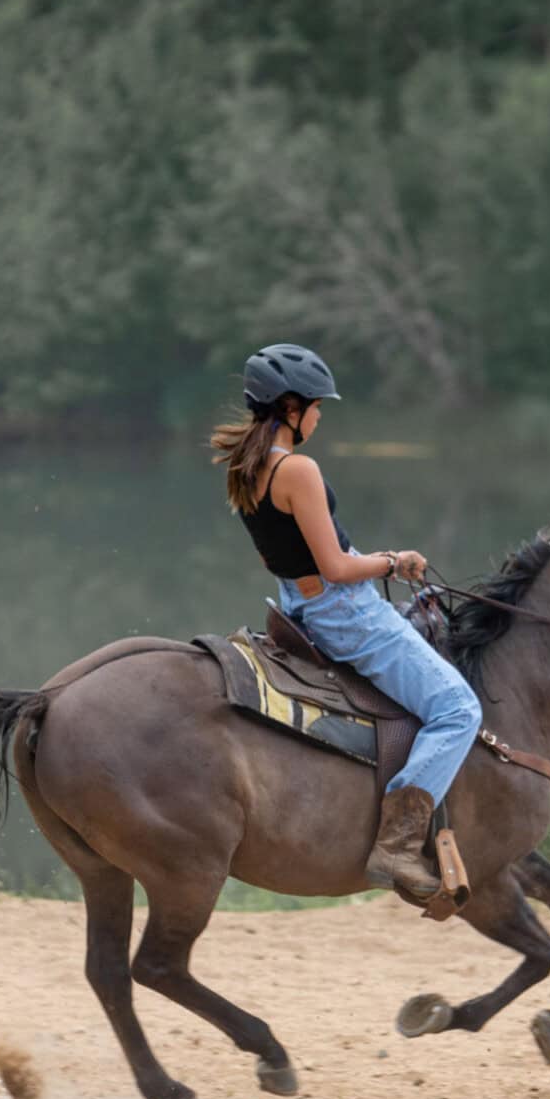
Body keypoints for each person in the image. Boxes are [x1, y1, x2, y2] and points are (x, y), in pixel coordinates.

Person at [209, 344, 480, 898]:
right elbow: (334, 565)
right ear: (289, 408)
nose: (320, 415)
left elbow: (287, 557)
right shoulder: (298, 468)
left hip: (298, 605)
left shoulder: (246, 468)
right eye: (314, 405)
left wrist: (366, 561)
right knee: (458, 708)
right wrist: (393, 561)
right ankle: (399, 843)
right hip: (343, 612)